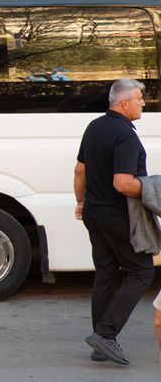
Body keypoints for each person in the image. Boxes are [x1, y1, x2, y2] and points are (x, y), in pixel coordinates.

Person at [75, 78, 154, 366]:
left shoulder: (94, 127)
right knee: (141, 271)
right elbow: (122, 183)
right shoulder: (125, 136)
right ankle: (106, 334)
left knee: (107, 273)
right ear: (124, 103)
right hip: (117, 216)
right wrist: (150, 189)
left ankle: (100, 345)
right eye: (139, 99)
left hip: (94, 214)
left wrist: (81, 202)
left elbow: (80, 171)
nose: (143, 103)